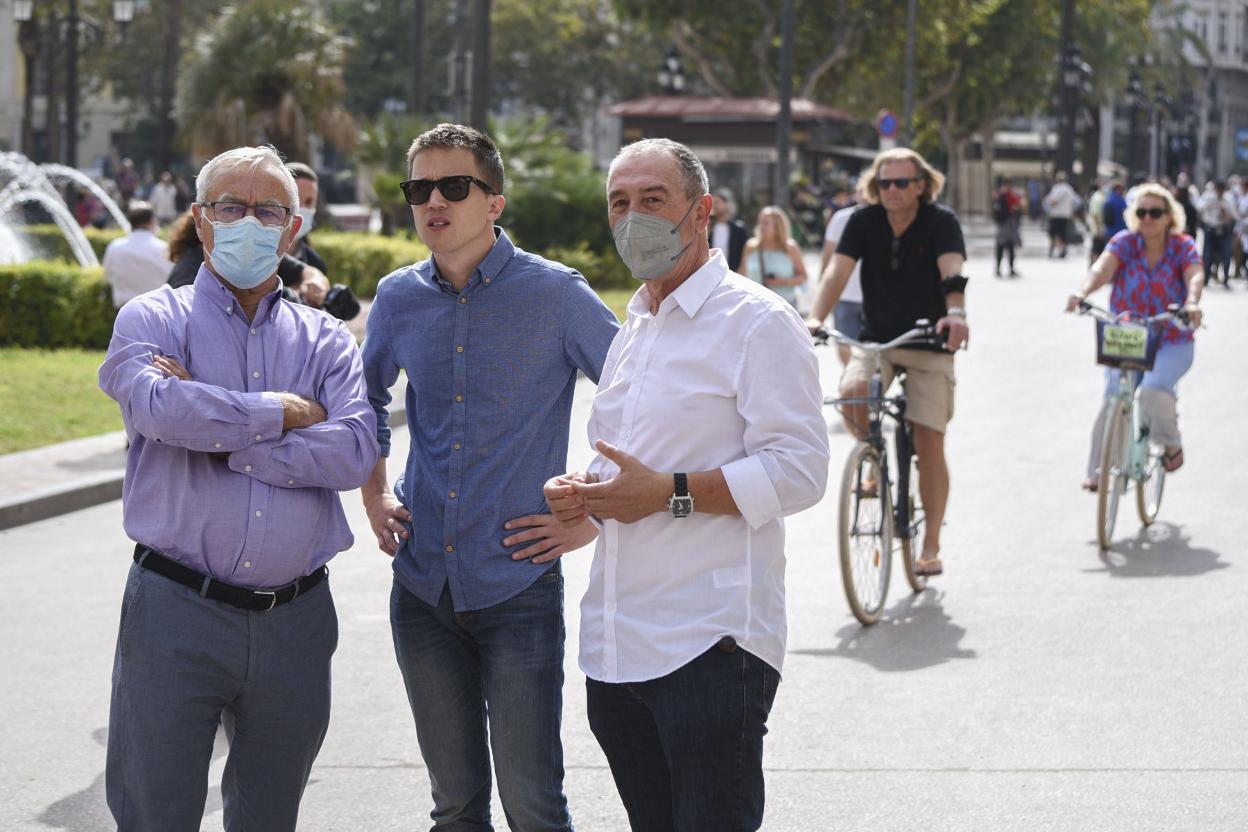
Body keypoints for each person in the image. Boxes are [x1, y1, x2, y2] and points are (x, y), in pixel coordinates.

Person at [544, 137, 829, 832]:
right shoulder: (634, 326)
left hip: (710, 645)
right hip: (617, 647)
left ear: (700, 213)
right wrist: (590, 493)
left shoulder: (756, 320)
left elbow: (801, 469)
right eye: (620, 203)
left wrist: (668, 492)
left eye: (652, 200)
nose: (632, 217)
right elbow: (631, 468)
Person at [97, 145, 379, 831]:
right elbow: (159, 410)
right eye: (229, 207)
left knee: (268, 816)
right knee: (154, 813)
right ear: (200, 222)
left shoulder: (326, 339)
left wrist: (222, 435)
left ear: (292, 231)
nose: (247, 222)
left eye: (267, 210)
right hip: (176, 611)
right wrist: (280, 412)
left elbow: (355, 451)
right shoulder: (153, 319)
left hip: (297, 623)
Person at [361, 123, 619, 831]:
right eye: (420, 189)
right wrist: (374, 490)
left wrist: (596, 511)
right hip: (421, 588)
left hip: (519, 585)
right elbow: (364, 399)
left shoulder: (558, 294)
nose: (434, 201)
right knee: (455, 807)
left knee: (534, 806)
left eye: (454, 186)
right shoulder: (397, 297)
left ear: (494, 202)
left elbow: (638, 398)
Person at [805, 147, 970, 577]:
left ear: (921, 185)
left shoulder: (942, 222)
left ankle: (930, 542)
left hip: (927, 341)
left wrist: (956, 312)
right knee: (852, 393)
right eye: (884, 183)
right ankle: (873, 456)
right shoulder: (863, 222)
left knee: (930, 439)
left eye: (901, 183)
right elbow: (835, 275)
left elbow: (952, 272)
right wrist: (816, 317)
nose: (892, 190)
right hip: (876, 340)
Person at [1065, 183, 1204, 490]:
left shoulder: (1182, 246)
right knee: (1114, 393)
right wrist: (1082, 291)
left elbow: (1194, 274)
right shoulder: (1124, 243)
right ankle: (1100, 470)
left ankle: (1170, 444)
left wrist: (1192, 302)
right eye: (1142, 212)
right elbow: (1101, 268)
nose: (1148, 218)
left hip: (1171, 338)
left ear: (1169, 216)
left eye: (1156, 212)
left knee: (1154, 390)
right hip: (1128, 333)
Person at [820, 195, 866, 366]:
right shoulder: (841, 219)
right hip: (844, 297)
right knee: (844, 348)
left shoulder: (888, 218)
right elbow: (827, 256)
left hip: (877, 300)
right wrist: (823, 297)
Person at [101, 201, 173, 308]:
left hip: (124, 310)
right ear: (152, 221)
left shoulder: (115, 247)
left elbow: (107, 276)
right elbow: (172, 281)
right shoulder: (164, 248)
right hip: (157, 310)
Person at [741, 205, 807, 306]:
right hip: (755, 305)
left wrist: (782, 282)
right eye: (760, 222)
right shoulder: (751, 247)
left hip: (785, 304)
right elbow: (741, 274)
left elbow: (803, 276)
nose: (761, 227)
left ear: (777, 227)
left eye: (766, 223)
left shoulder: (790, 248)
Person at [1196, 180, 1235, 286]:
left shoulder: (1228, 199)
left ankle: (1225, 278)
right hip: (1210, 229)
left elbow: (1233, 215)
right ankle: (1206, 278)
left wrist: (1225, 214)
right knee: (1207, 255)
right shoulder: (1208, 198)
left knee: (1226, 255)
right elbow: (1199, 209)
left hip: (1223, 230)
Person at [707, 187, 749, 271]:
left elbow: (744, 256)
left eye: (717, 202)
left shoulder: (739, 229)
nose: (714, 206)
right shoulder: (707, 227)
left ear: (726, 204)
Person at [1044, 171, 1080, 258]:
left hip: (1056, 215)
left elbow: (1053, 201)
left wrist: (1048, 201)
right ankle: (1059, 249)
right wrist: (1070, 210)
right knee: (1062, 233)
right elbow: (1076, 202)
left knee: (1054, 233)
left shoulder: (1058, 188)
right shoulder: (1069, 189)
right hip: (1065, 215)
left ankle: (1059, 249)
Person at [993, 177, 1023, 277]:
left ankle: (1008, 268)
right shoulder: (1003, 196)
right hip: (1005, 224)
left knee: (1008, 247)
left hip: (1007, 224)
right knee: (1003, 247)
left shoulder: (1004, 195)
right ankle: (999, 268)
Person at [1086, 179, 1108, 266]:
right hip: (1098, 229)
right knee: (1096, 249)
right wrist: (1099, 229)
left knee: (1098, 249)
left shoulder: (1103, 196)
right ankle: (1094, 267)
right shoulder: (1097, 197)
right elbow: (1095, 215)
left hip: (1099, 229)